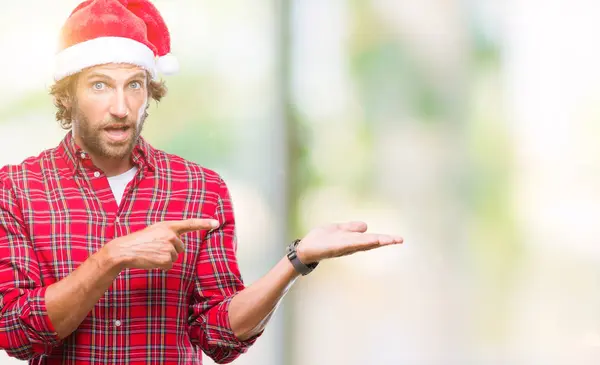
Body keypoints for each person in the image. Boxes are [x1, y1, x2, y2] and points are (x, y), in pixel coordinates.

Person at [0, 0, 403, 364]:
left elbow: (220, 336)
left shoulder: (200, 189)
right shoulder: (17, 189)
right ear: (67, 95)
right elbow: (16, 333)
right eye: (100, 85)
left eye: (134, 85)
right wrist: (112, 257)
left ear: (150, 91)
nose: (121, 108)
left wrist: (296, 261)